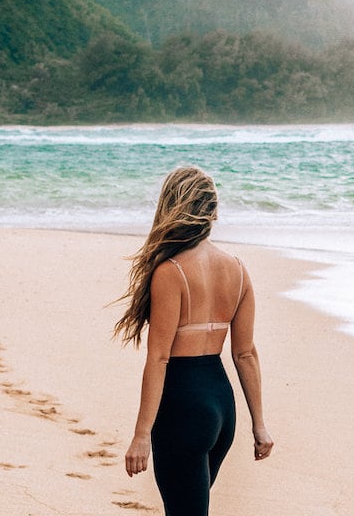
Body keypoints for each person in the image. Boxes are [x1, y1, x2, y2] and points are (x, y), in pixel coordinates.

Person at [114, 166, 274, 515]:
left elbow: (158, 359)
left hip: (182, 408)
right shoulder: (237, 268)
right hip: (222, 408)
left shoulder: (171, 272)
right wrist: (259, 424)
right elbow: (245, 353)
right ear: (213, 212)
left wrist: (141, 435)